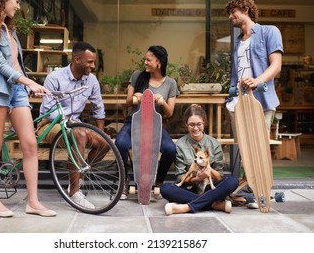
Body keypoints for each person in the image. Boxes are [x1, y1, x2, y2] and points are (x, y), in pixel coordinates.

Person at [0, 0, 56, 217]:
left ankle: (33, 202)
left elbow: (16, 64)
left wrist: (29, 85)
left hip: (17, 92)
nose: (19, 7)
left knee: (30, 144)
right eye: (17, 1)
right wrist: (28, 82)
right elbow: (0, 65)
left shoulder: (10, 29)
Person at [37, 41, 106, 209]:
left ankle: (79, 178)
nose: (93, 65)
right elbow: (50, 109)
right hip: (50, 123)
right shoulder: (55, 78)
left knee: (105, 143)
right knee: (79, 134)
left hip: (75, 124)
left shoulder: (91, 80)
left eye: (94, 61)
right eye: (89, 62)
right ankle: (74, 192)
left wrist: (101, 133)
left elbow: (98, 108)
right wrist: (69, 123)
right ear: (76, 60)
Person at [115, 45, 179, 200]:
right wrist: (136, 96)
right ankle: (123, 181)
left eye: (148, 59)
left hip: (155, 124)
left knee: (170, 149)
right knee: (120, 144)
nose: (145, 62)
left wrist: (162, 102)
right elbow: (127, 103)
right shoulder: (137, 76)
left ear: (159, 62)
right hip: (133, 121)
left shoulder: (170, 83)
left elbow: (169, 112)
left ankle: (158, 182)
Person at [161, 104, 239, 214]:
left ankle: (186, 207)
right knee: (165, 189)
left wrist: (209, 171)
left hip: (209, 187)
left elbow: (219, 177)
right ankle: (213, 204)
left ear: (204, 124)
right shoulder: (180, 145)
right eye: (191, 124)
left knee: (232, 181)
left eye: (199, 124)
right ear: (186, 125)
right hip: (190, 188)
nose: (196, 128)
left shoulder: (214, 143)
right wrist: (197, 178)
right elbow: (180, 178)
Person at [225, 0, 283, 139]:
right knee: (244, 150)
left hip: (261, 100)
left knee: (259, 149)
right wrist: (230, 99)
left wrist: (257, 81)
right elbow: (235, 76)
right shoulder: (238, 42)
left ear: (246, 10)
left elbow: (276, 65)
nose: (230, 16)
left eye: (233, 12)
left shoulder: (269, 32)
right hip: (237, 104)